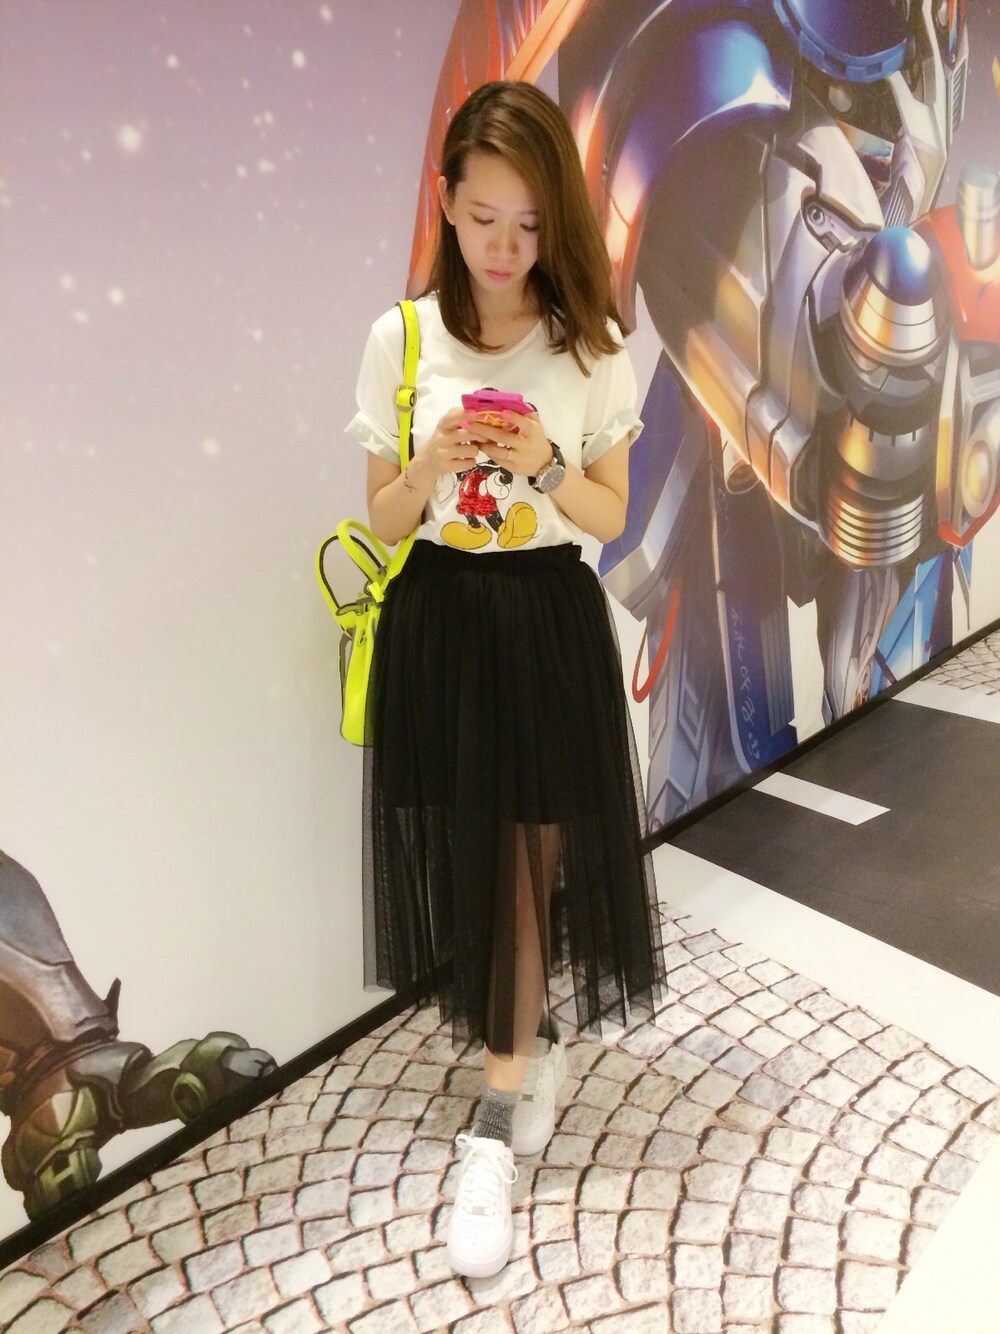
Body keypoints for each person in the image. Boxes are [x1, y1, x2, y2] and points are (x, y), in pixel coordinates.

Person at [346, 80, 665, 1279]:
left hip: (543, 621)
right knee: (471, 864)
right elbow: (382, 522)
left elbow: (610, 517)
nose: (505, 246)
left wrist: (541, 457)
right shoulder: (401, 339)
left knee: (527, 872)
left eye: (529, 225)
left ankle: (490, 1124)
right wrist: (433, 457)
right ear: (446, 202)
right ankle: (529, 1039)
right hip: (440, 619)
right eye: (484, 217)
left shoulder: (593, 345)